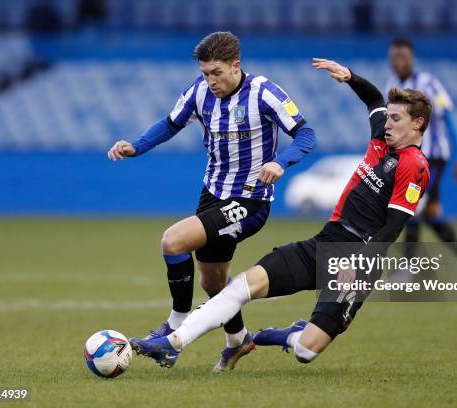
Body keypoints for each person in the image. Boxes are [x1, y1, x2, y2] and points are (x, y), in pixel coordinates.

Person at [128, 59, 430, 368]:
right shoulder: (382, 136)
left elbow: (393, 226)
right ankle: (173, 342)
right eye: (389, 118)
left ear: (417, 123)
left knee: (306, 351)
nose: (387, 123)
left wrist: (359, 263)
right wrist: (351, 77)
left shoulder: (414, 165)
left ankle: (287, 335)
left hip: (357, 259)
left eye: (396, 119)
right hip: (326, 240)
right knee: (241, 287)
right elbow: (375, 99)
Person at [106, 31, 316, 371]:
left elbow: (306, 134)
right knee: (213, 281)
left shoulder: (264, 92)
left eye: (216, 72)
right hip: (212, 195)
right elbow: (170, 124)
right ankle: (239, 340)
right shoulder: (199, 92)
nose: (210, 80)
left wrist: (281, 161)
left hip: (250, 200)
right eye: (205, 73)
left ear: (236, 65)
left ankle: (174, 325)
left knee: (173, 241)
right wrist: (137, 145)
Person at [385, 38, 457, 285]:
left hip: (433, 158)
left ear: (411, 57)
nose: (398, 61)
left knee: (412, 206)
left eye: (402, 56)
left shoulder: (428, 83)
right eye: (394, 57)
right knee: (429, 213)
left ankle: (407, 269)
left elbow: (449, 117)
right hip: (409, 160)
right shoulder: (392, 87)